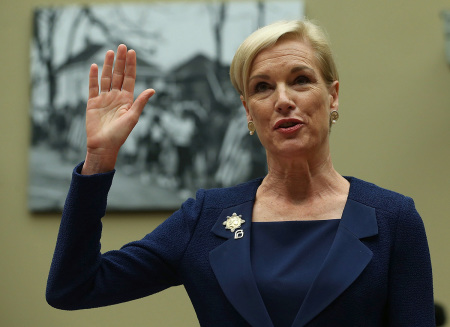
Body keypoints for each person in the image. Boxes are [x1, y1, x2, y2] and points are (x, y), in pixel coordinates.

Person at [46, 20, 435, 326]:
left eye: (300, 80)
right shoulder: (204, 218)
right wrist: (99, 158)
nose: (283, 100)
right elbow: (73, 288)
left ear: (332, 96)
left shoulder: (393, 219)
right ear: (249, 112)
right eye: (263, 87)